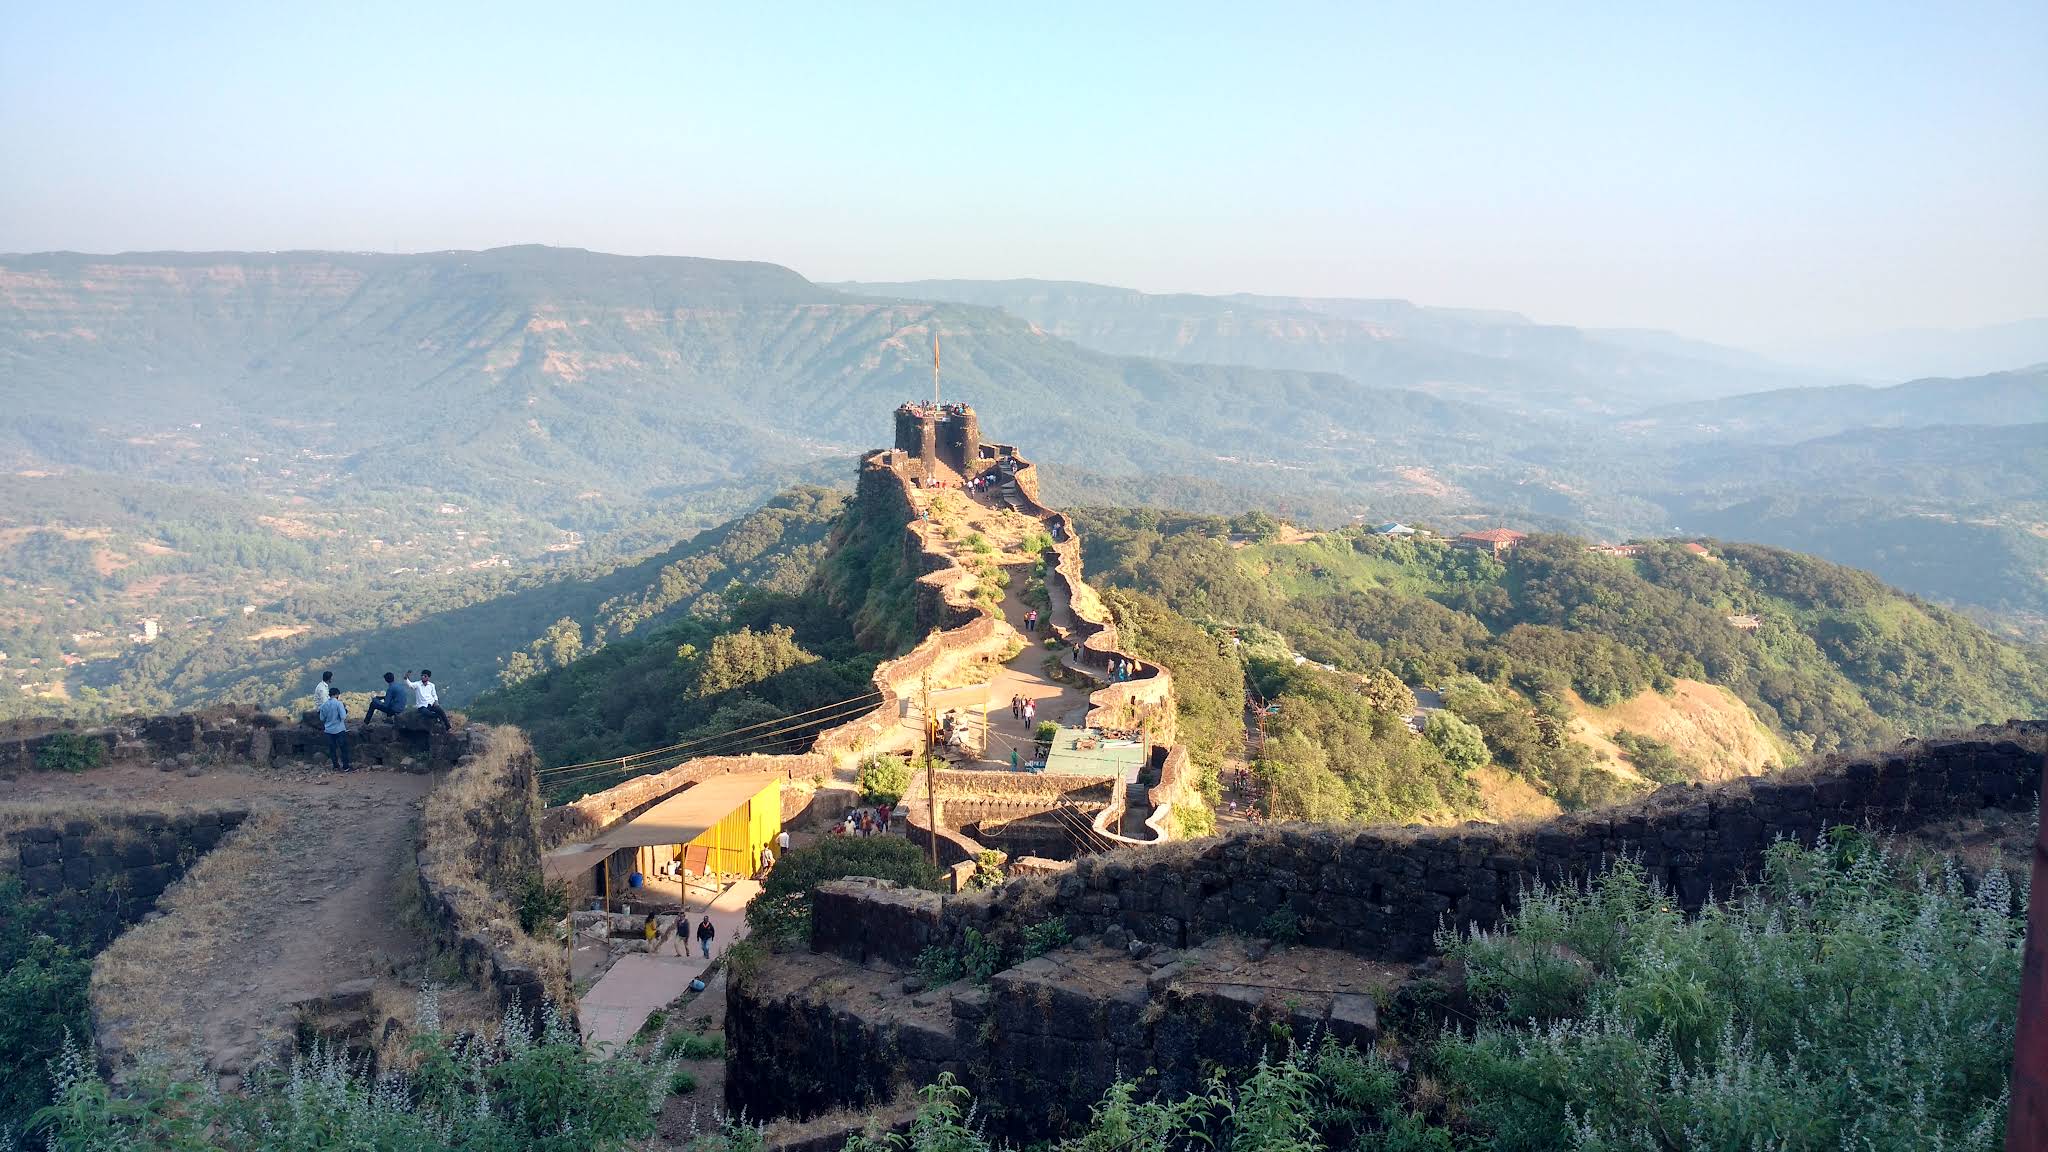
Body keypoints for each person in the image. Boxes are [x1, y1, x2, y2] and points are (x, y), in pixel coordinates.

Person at [318, 689, 351, 772]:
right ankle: (346, 767)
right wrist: (345, 711)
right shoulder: (338, 703)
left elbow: (322, 718)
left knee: (332, 749)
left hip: (328, 730)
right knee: (343, 748)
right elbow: (343, 716)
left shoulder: (324, 705)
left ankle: (335, 766)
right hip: (339, 729)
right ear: (337, 694)